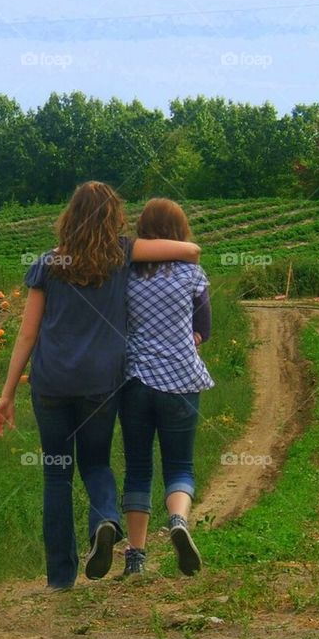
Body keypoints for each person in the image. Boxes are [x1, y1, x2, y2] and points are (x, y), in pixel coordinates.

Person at [0, 181, 201, 590]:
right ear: (114, 217)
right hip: (100, 385)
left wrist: (7, 393)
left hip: (51, 382)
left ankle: (60, 579)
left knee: (56, 474)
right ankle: (104, 519)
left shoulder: (48, 263)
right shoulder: (121, 255)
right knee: (96, 463)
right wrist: (137, 243)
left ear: (68, 217)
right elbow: (190, 251)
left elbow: (27, 335)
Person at [118, 198, 214, 577]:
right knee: (180, 464)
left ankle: (136, 557)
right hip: (181, 380)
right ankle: (177, 521)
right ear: (179, 231)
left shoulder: (125, 274)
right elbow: (203, 330)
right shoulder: (192, 275)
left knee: (138, 466)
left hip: (135, 381)